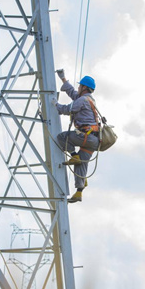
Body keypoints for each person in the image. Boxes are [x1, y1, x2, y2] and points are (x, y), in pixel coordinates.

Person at [51, 69, 99, 203]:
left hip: (85, 136)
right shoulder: (88, 99)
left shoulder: (83, 100)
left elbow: (68, 109)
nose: (78, 87)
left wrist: (56, 105)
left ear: (84, 88)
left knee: (62, 137)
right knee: (81, 165)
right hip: (94, 140)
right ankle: (79, 192)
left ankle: (73, 155)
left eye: (80, 86)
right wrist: (63, 79)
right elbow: (73, 93)